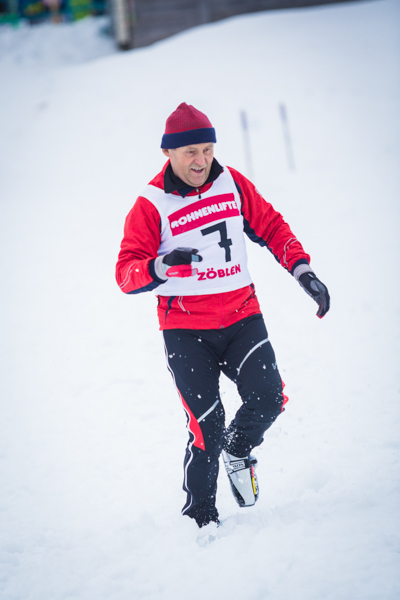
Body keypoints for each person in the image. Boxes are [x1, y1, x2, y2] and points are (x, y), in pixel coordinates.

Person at [116, 103, 330, 528]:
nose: (201, 161)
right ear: (168, 153)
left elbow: (272, 226)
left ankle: (238, 450)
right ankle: (200, 521)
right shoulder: (151, 203)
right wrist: (160, 266)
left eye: (208, 150)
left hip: (242, 317)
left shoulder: (231, 182)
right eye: (191, 152)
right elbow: (126, 273)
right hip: (185, 331)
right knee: (207, 426)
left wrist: (303, 271)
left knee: (269, 397)